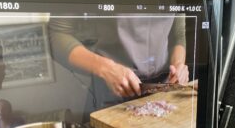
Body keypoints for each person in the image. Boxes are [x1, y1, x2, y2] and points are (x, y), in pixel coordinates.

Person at [49, 15, 189, 98]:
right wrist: (106, 68)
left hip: (164, 89)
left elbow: (178, 35)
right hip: (111, 90)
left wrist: (178, 66)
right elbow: (56, 35)